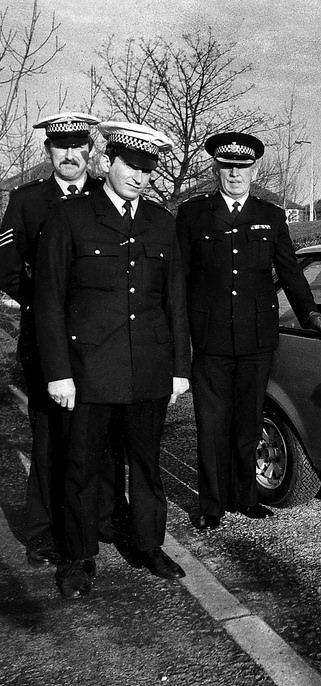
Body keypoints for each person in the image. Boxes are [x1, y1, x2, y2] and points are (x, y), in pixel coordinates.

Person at [34, 121, 191, 598]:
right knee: (81, 467)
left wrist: (179, 368)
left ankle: (148, 544)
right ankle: (78, 557)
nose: (139, 178)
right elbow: (49, 302)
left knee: (145, 464)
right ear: (106, 162)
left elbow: (175, 300)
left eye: (147, 170)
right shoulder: (71, 218)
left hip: (148, 368)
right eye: (131, 167)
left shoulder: (161, 222)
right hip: (88, 371)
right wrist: (58, 373)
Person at [177, 132, 321, 532]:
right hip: (210, 337)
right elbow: (179, 278)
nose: (235, 174)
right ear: (216, 169)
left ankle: (246, 496)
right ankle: (212, 504)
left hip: (256, 338)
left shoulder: (271, 215)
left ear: (253, 171)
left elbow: (290, 272)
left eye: (242, 168)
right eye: (227, 167)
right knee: (211, 423)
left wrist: (311, 313)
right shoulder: (193, 214)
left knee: (249, 421)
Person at [0, 112, 111, 567]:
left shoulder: (105, 194)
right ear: (48, 150)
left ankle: (99, 519)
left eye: (77, 146)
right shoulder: (27, 200)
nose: (69, 155)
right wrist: (49, 306)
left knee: (99, 435)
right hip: (47, 341)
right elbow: (8, 269)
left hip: (100, 341)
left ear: (90, 150)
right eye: (60, 146)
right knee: (48, 437)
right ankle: (43, 531)